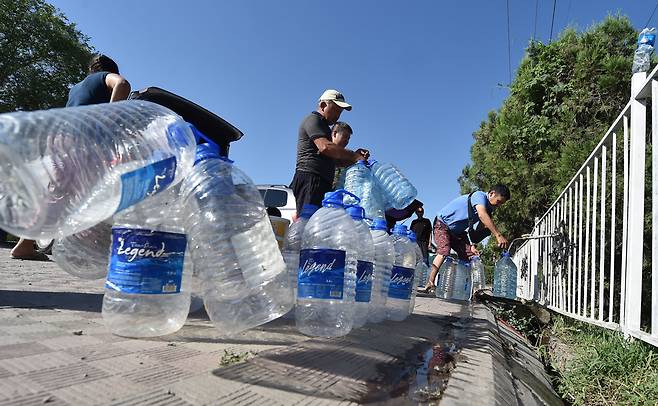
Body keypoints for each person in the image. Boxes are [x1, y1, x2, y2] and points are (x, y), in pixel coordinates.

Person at [10, 54, 130, 261]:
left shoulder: (76, 87)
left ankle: (27, 244)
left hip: (59, 139)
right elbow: (123, 85)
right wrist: (110, 118)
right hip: (81, 140)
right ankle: (83, 248)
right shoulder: (104, 78)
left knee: (61, 193)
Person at [290, 89, 369, 215]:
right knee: (306, 223)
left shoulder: (324, 127)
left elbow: (335, 160)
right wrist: (354, 156)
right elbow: (325, 147)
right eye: (336, 110)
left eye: (340, 112)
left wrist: (355, 158)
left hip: (321, 183)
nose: (338, 115)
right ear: (323, 105)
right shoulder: (313, 120)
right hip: (311, 179)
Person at [419, 185, 511, 293]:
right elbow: (482, 215)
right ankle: (430, 282)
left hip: (458, 232)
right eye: (498, 201)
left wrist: (472, 244)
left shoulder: (488, 208)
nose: (498, 205)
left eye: (501, 204)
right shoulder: (479, 196)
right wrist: (498, 235)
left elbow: (479, 228)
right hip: (442, 224)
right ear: (491, 194)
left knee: (471, 256)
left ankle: (469, 289)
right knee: (444, 251)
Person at [331, 121, 353, 189]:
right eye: (345, 136)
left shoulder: (346, 156)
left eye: (348, 139)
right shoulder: (323, 149)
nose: (346, 141)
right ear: (334, 134)